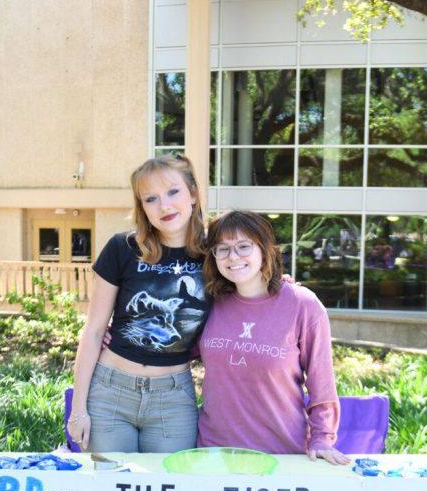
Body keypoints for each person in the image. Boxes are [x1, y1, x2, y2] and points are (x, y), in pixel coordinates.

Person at [65, 154, 209, 453]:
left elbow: (251, 283)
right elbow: (93, 332)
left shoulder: (215, 256)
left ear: (193, 194)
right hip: (109, 393)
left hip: (173, 399)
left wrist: (281, 285)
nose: (164, 206)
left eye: (173, 192)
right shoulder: (123, 248)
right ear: (142, 207)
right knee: (110, 490)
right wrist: (78, 410)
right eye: (151, 199)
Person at [196, 210, 350, 465]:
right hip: (214, 454)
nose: (233, 257)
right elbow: (175, 347)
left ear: (264, 249)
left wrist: (322, 438)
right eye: (222, 249)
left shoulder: (303, 304)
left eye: (243, 246)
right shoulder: (210, 302)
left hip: (281, 455)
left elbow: (321, 382)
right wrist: (112, 338)